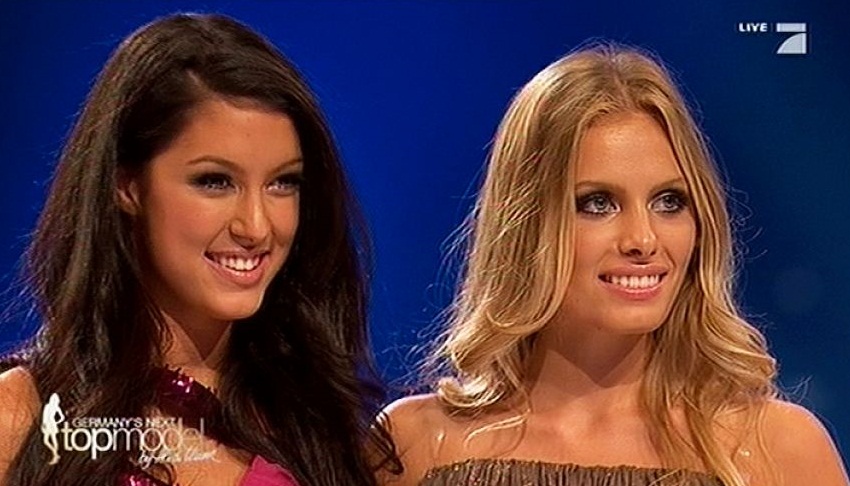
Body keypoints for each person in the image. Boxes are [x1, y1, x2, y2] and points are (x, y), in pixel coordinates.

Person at [379, 44, 849, 486]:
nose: (643, 240)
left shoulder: (780, 450)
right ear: (525, 224)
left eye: (669, 201)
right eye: (597, 203)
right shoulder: (415, 444)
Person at [0, 13, 394, 486]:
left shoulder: (321, 421)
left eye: (282, 183)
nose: (256, 226)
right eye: (214, 181)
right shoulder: (22, 418)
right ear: (127, 185)